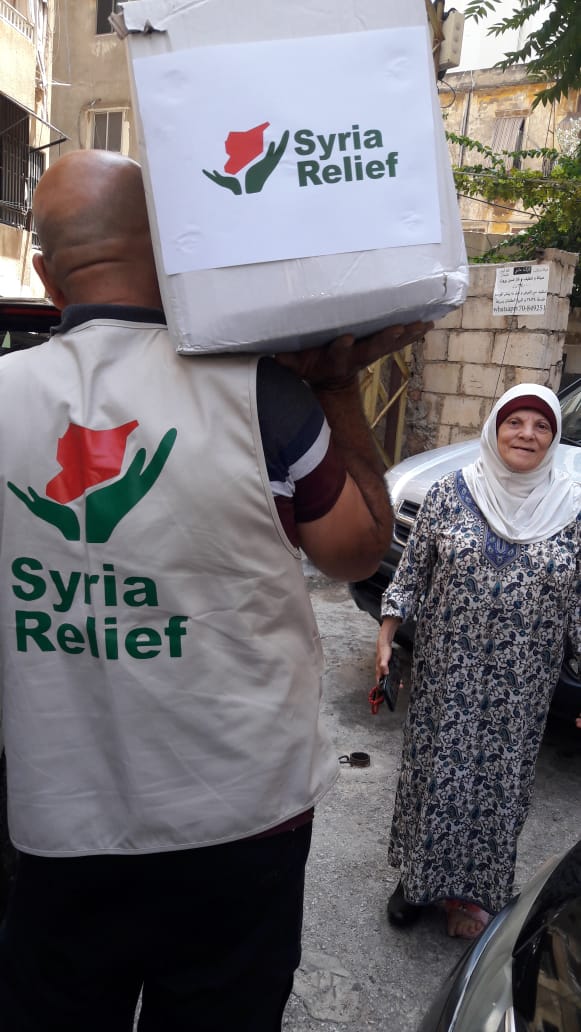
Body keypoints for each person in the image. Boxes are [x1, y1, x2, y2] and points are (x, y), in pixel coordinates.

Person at [0, 148, 431, 1032]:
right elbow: (358, 552)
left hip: (58, 817)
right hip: (240, 819)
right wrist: (338, 387)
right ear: (172, 251)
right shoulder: (261, 399)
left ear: (47, 277)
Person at [376, 383, 581, 940]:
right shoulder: (450, 491)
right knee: (435, 773)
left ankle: (474, 895)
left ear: (554, 437)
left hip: (523, 683)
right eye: (515, 421)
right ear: (495, 427)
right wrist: (388, 632)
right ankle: (415, 884)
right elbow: (413, 570)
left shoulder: (572, 510)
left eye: (541, 426)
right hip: (449, 670)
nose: (527, 434)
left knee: (499, 783)